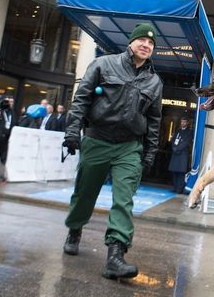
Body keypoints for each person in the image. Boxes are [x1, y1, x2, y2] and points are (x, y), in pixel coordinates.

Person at [61, 23, 163, 280]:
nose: (146, 45)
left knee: (124, 199)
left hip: (129, 147)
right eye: (142, 40)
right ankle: (75, 228)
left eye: (151, 43)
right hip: (97, 139)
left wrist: (149, 153)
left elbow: (154, 121)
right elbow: (81, 98)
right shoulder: (103, 64)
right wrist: (72, 131)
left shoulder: (154, 81)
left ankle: (115, 256)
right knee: (85, 193)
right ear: (131, 42)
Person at [168, 116, 193, 194]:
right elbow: (173, 140)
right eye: (182, 122)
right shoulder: (177, 131)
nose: (183, 123)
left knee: (181, 173)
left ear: (187, 123)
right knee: (174, 172)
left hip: (182, 154)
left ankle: (179, 189)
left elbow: (186, 143)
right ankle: (175, 188)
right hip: (175, 154)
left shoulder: (189, 132)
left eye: (184, 122)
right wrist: (174, 148)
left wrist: (178, 149)